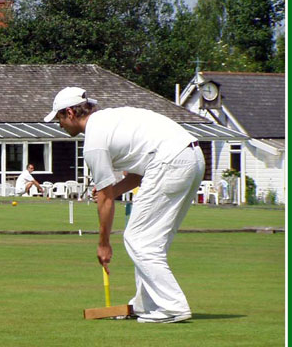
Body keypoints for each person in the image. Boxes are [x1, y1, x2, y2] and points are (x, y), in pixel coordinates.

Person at [44, 86, 205, 323]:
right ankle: (146, 304)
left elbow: (107, 199)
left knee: (138, 239)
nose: (59, 124)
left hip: (171, 161)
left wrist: (104, 244)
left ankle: (173, 306)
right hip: (192, 157)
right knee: (151, 242)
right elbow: (138, 174)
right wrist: (112, 189)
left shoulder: (94, 142)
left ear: (70, 112)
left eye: (59, 117)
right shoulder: (111, 120)